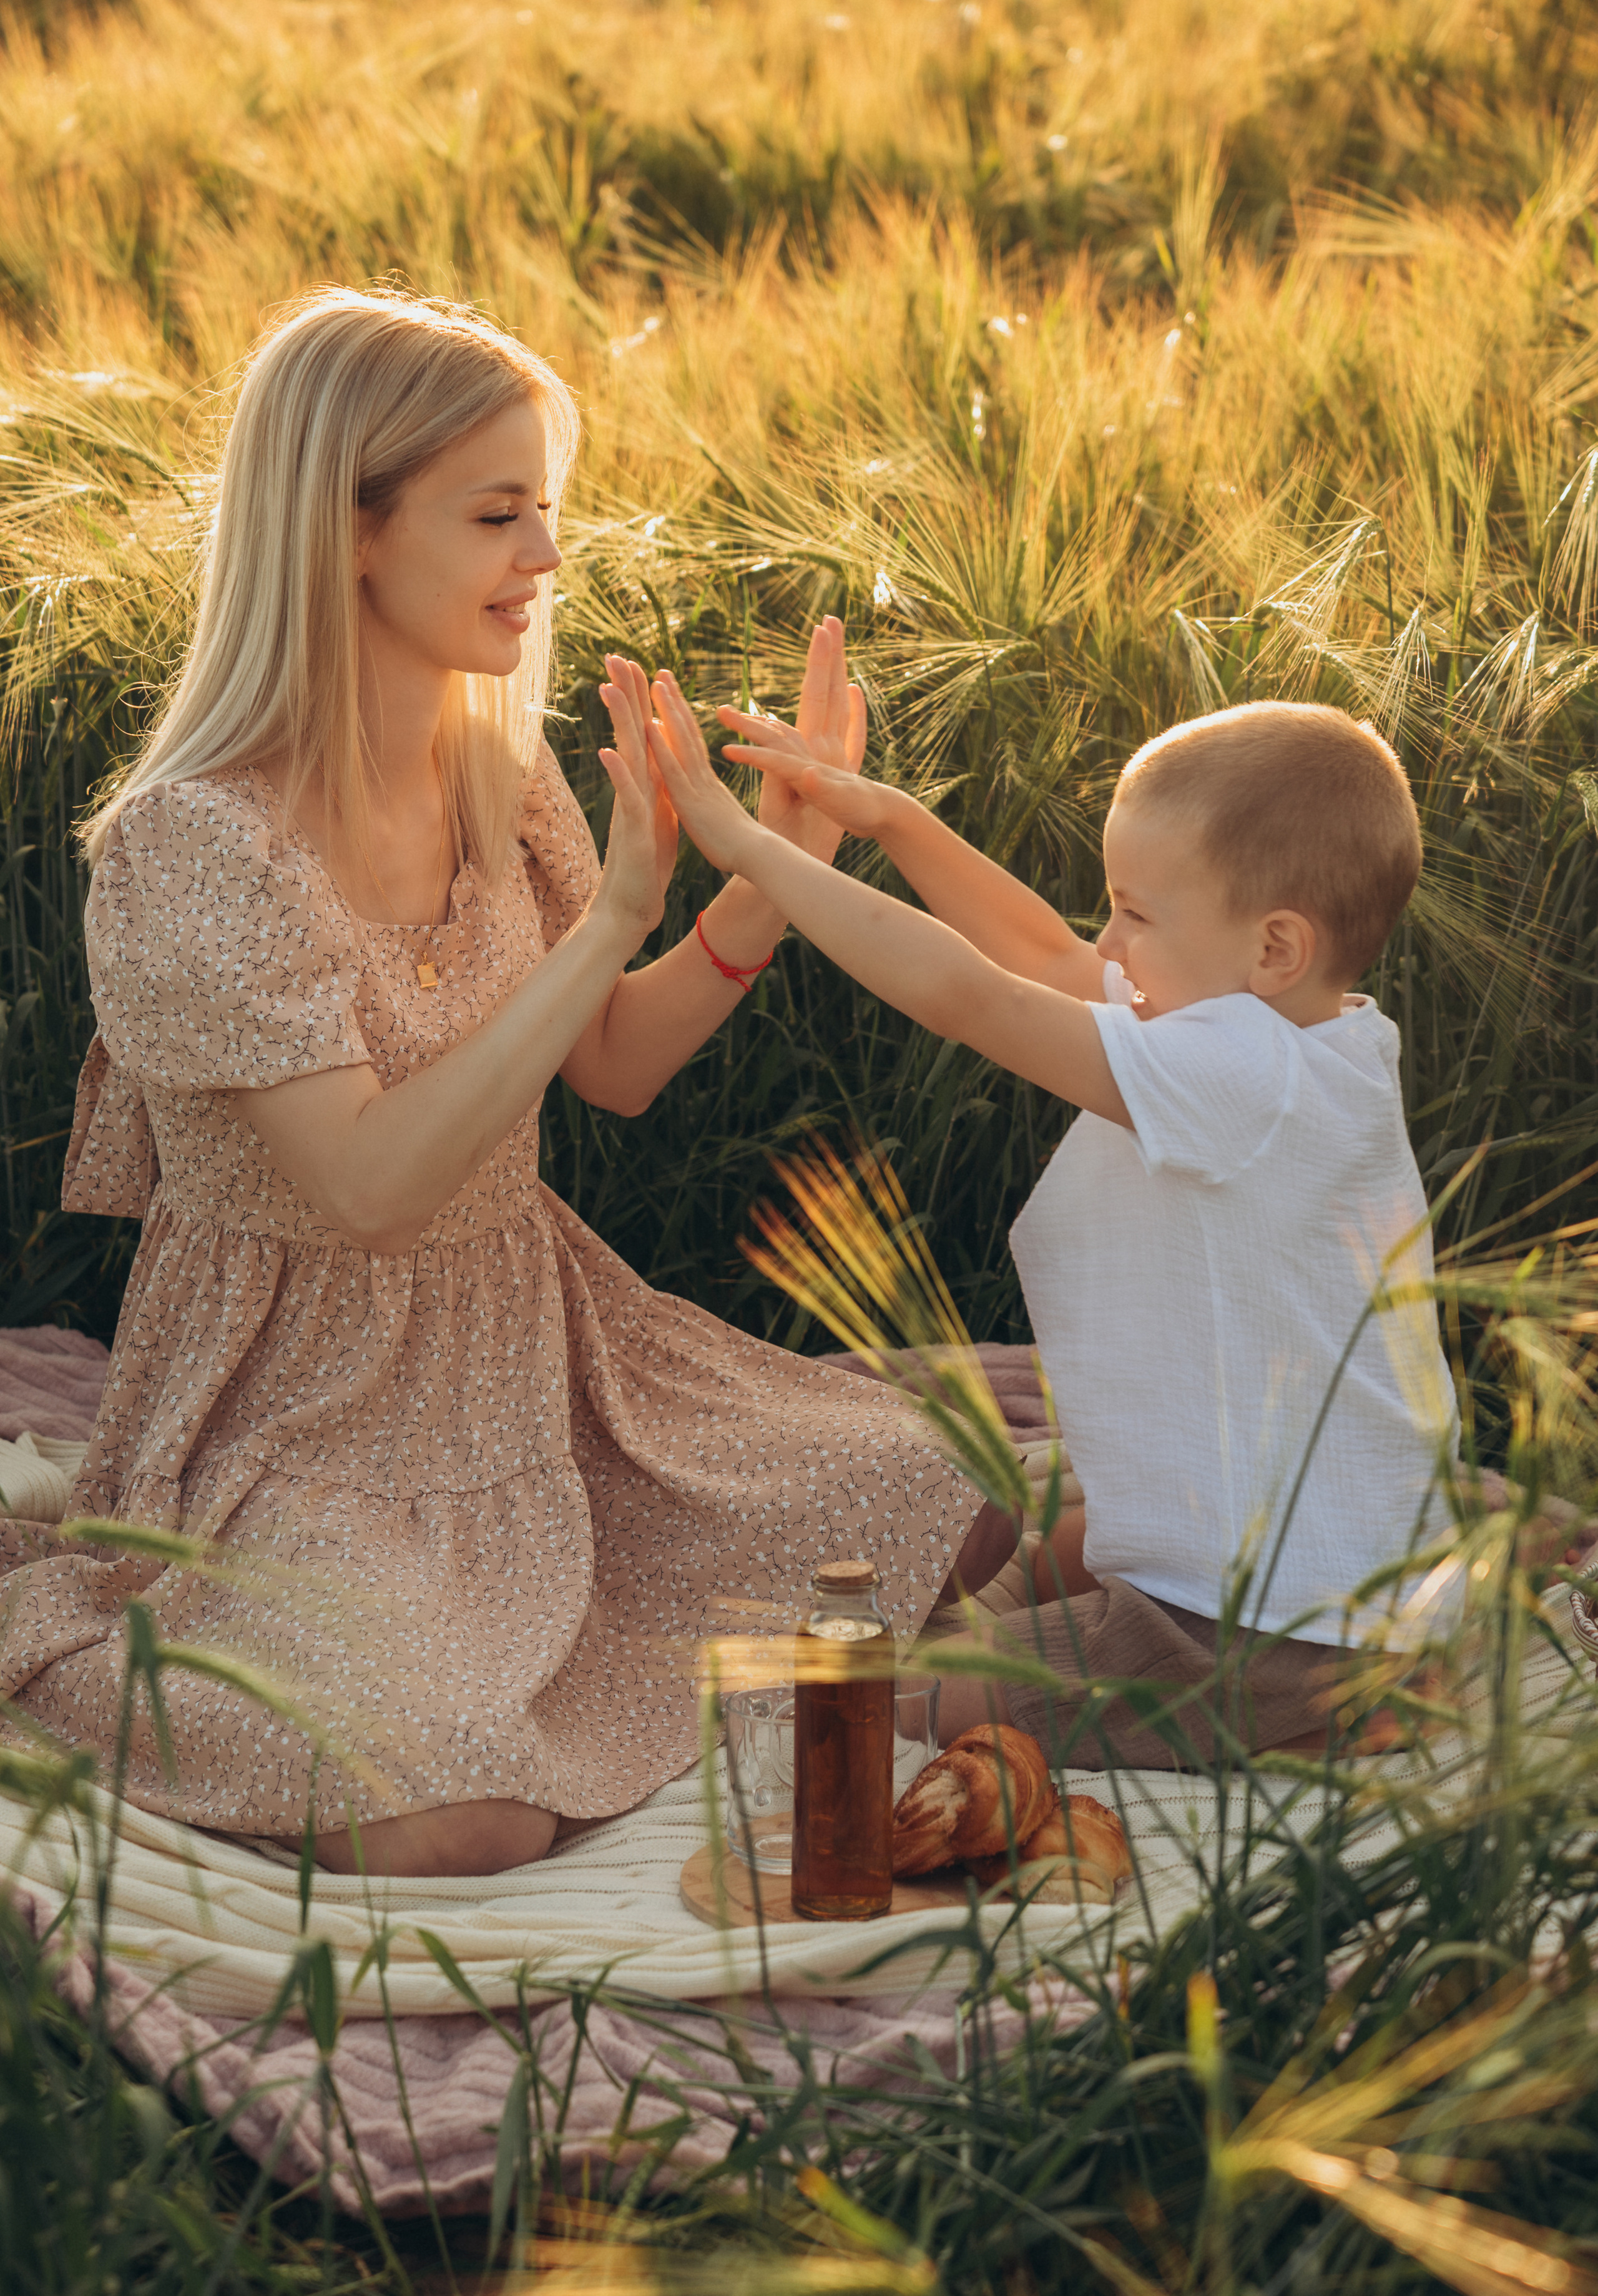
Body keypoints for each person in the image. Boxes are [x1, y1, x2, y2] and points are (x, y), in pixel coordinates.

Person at [0, 287, 1002, 1874]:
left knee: (941, 1503)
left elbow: (606, 1063)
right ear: (347, 530)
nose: (544, 555)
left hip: (539, 1341)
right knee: (456, 1813)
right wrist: (612, 912)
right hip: (297, 1407)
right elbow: (368, 1186)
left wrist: (766, 876)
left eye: (546, 508)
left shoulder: (499, 767)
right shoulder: (199, 845)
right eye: (494, 513)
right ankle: (109, 1687)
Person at [644, 664, 1467, 1765]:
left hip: (1259, 1631)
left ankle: (1330, 1709)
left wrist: (761, 857)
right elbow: (1039, 955)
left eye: (1133, 912)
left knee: (892, 1699)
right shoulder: (1310, 1040)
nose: (1110, 942)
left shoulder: (1240, 1073)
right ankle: (1373, 1681)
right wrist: (893, 818)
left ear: (1274, 947)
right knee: (1050, 1560)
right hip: (1333, 1590)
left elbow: (974, 995)